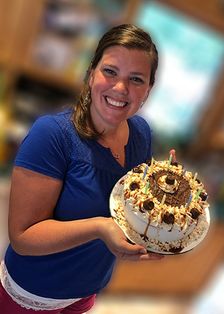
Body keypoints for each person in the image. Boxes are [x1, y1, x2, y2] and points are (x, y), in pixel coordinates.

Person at [0, 24, 164, 313]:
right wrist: (100, 227)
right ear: (91, 75)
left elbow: (130, 205)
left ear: (148, 90)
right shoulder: (52, 135)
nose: (120, 88)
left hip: (86, 291)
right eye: (110, 71)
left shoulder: (142, 135)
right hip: (30, 295)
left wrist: (156, 227)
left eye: (136, 79)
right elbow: (23, 238)